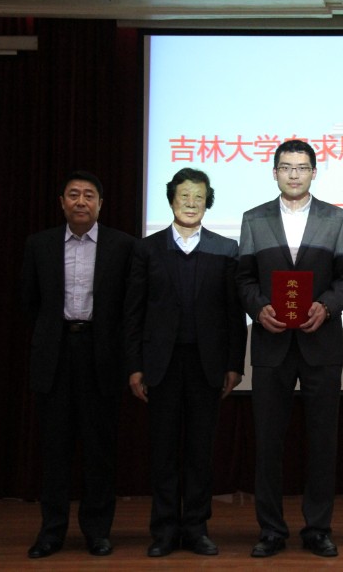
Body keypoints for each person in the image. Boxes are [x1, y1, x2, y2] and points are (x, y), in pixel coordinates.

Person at [237, 139, 343, 558]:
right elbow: (243, 278)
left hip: (319, 342)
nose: (294, 174)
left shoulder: (337, 219)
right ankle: (271, 530)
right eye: (286, 167)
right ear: (274, 172)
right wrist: (258, 308)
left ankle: (318, 528)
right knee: (268, 443)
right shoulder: (254, 219)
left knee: (322, 442)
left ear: (313, 173)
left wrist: (327, 306)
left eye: (302, 167)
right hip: (271, 343)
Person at [124, 168, 247, 557]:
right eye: (184, 196)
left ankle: (195, 528)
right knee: (162, 451)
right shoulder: (147, 249)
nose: (191, 203)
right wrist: (134, 365)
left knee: (199, 452)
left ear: (207, 202)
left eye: (199, 197)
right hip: (160, 364)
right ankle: (163, 530)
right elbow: (134, 312)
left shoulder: (226, 250)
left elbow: (234, 314)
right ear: (171, 200)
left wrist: (234, 364)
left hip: (207, 365)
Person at [20, 170, 134, 558]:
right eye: (73, 194)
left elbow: (129, 307)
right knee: (54, 449)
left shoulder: (123, 246)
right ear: (62, 202)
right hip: (55, 354)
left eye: (89, 195)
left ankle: (97, 531)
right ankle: (51, 532)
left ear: (101, 204)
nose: (81, 201)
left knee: (99, 450)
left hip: (101, 355)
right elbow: (29, 302)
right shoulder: (40, 245)